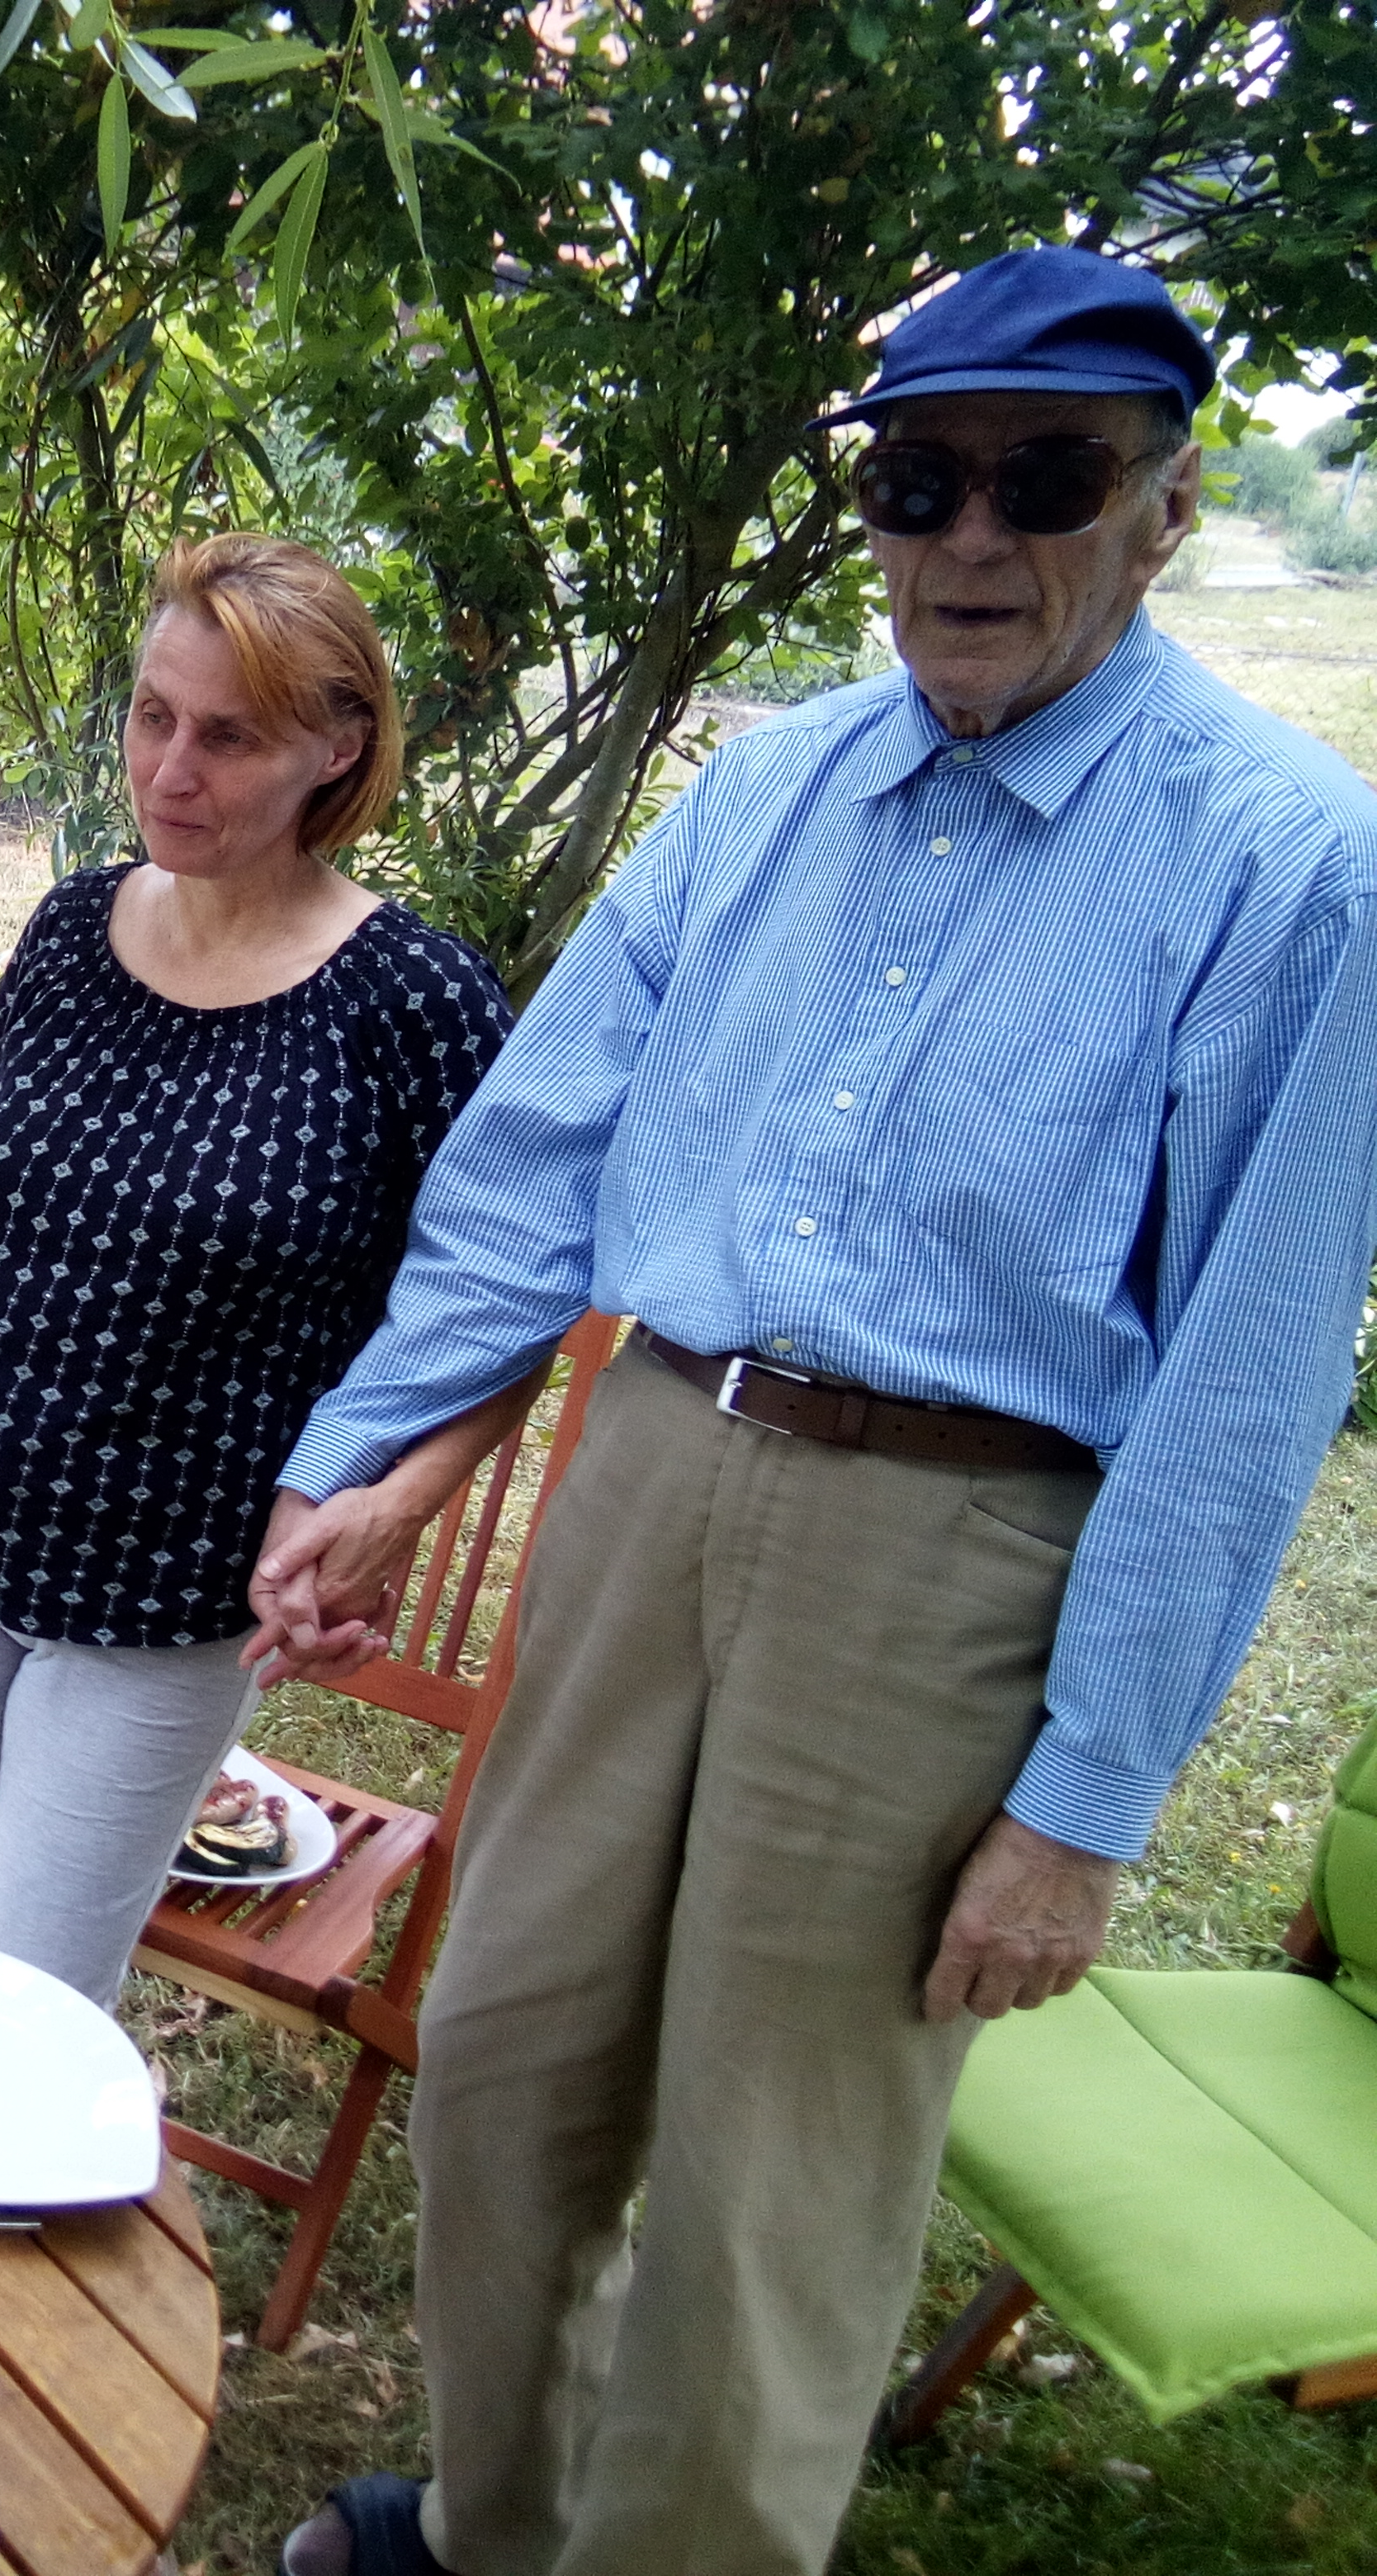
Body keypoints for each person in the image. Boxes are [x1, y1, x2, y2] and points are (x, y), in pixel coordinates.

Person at [254, 249, 1377, 2576]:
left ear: (1164, 508)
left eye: (1044, 479)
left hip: (947, 1554)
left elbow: (1245, 1383)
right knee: (505, 2057)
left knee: (771, 2183)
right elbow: (538, 1157)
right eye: (915, 481)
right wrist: (363, 1463)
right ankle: (492, 2535)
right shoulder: (768, 784)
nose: (968, 536)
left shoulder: (1289, 863)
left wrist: (1081, 1805)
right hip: (654, 1468)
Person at [0, 532, 521, 2001]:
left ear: (338, 749)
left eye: (229, 737)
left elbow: (502, 1301)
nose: (170, 771)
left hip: (173, 1582)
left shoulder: (417, 1003)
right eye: (154, 716)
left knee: (36, 1986)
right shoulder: (81, 921)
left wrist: (396, 1506)